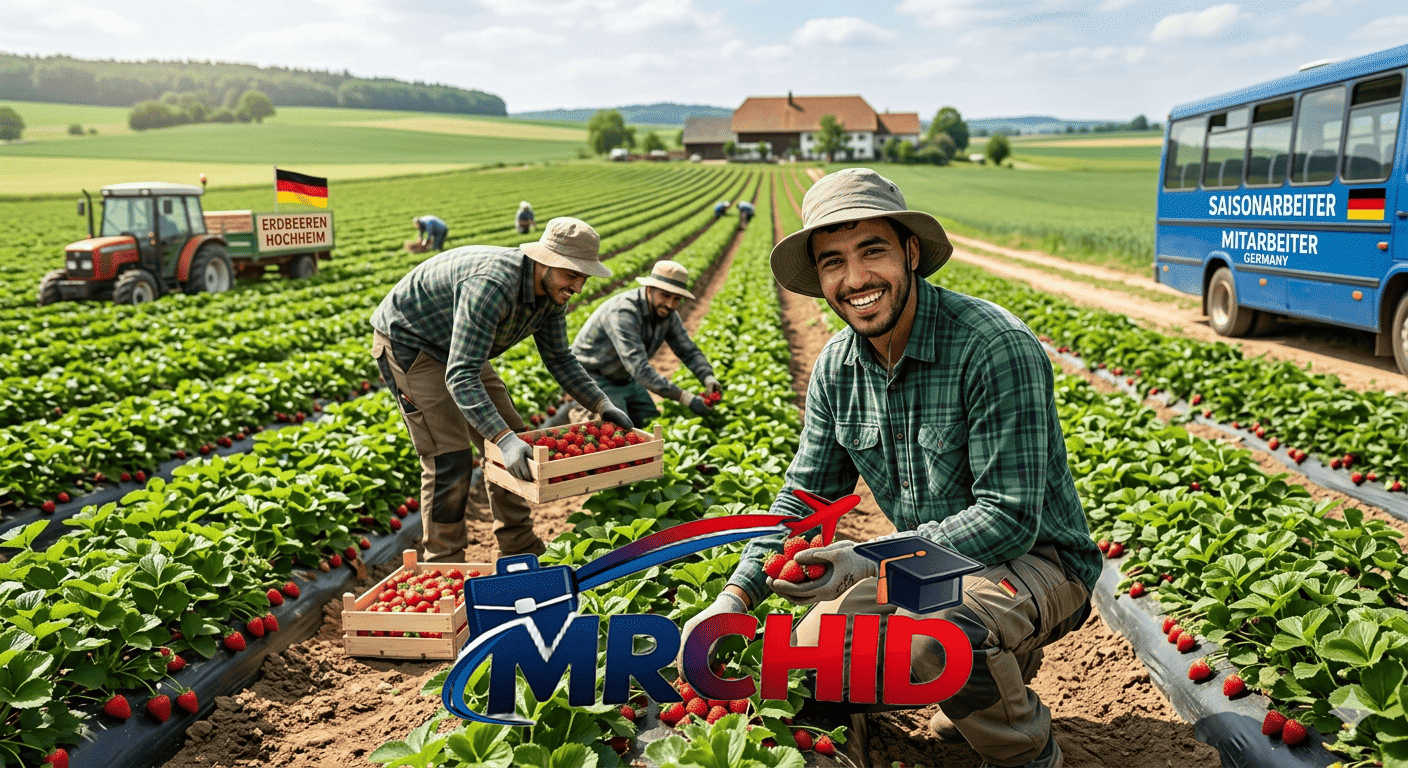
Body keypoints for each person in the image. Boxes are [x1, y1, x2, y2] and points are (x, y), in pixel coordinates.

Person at [679, 169, 1099, 768]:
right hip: (925, 564)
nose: (855, 279)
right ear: (819, 277)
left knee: (936, 634)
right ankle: (981, 681)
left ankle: (1027, 754)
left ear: (910, 252)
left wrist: (871, 562)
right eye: (832, 262)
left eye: (872, 250)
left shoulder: (991, 346)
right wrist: (734, 596)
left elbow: (1008, 518)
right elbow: (804, 500)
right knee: (804, 658)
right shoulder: (837, 369)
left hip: (1042, 559)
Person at [370, 218, 634, 562]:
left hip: (459, 342)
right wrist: (502, 440)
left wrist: (600, 403)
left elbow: (559, 358)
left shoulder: (554, 293)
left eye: (584, 277)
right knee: (449, 456)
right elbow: (461, 376)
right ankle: (443, 560)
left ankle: (518, 544)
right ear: (546, 260)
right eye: (572, 274)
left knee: (515, 439)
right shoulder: (492, 286)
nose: (579, 286)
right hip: (410, 342)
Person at [570, 260, 721, 427]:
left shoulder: (667, 315)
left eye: (676, 299)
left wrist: (708, 378)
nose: (670, 304)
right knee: (617, 429)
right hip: (593, 376)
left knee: (651, 421)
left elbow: (688, 350)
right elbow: (639, 369)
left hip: (625, 376)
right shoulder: (624, 312)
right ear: (649, 290)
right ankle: (581, 413)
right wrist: (686, 398)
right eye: (665, 295)